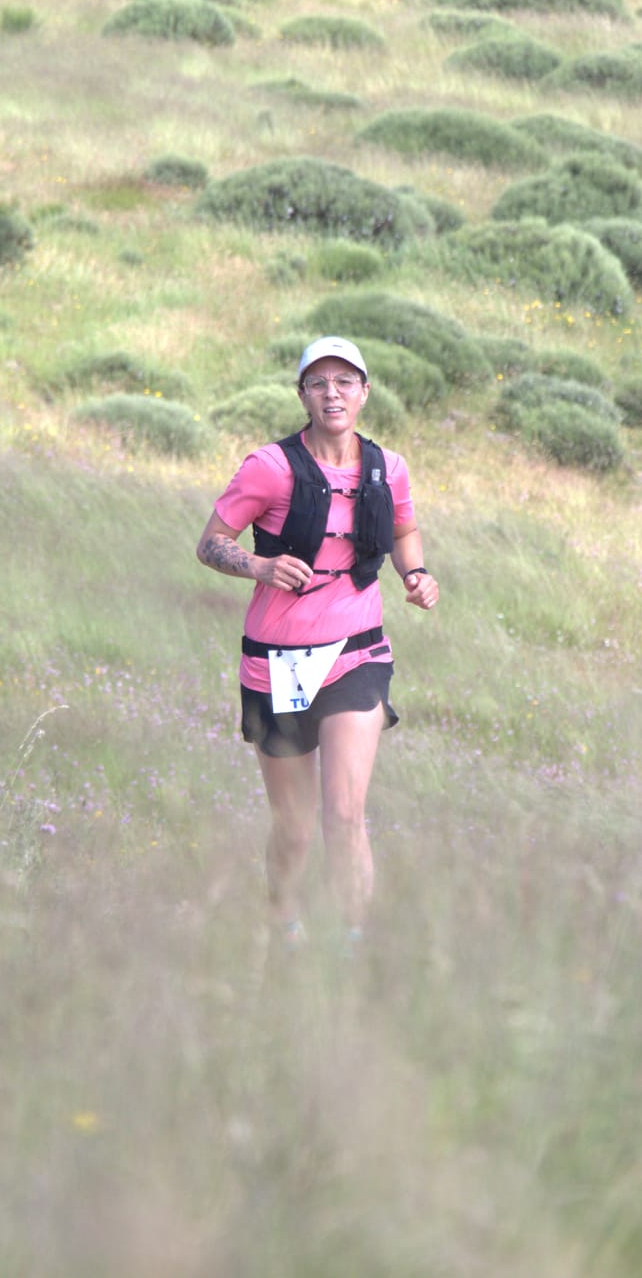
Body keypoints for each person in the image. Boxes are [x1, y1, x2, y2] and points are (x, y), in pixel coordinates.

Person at [196, 336, 440, 952]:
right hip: (276, 663)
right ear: (302, 394)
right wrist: (260, 566)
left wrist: (415, 574)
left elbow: (405, 529)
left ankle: (354, 945)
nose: (333, 393)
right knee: (296, 827)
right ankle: (282, 925)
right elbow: (211, 543)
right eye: (319, 382)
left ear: (365, 392)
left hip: (358, 652)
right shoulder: (269, 467)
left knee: (345, 815)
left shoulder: (388, 468)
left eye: (345, 381)